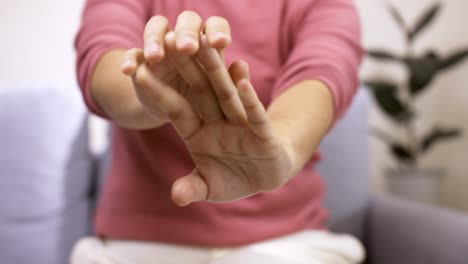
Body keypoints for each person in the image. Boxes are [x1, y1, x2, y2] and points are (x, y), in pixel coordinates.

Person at [71, 0, 364, 263]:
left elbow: (323, 74)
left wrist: (280, 148)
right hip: (136, 246)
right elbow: (102, 58)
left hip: (287, 245)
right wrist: (151, 90)